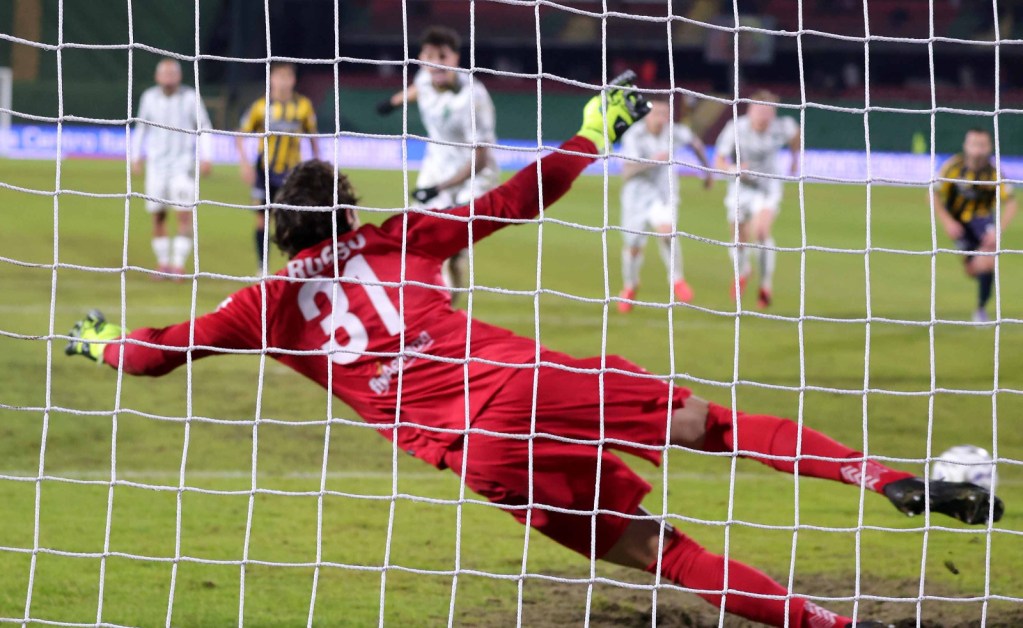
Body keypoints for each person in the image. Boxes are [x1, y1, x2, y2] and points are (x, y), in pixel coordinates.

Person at [66, 73, 1001, 628]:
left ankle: (824, 625)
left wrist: (104, 341)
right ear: (346, 209)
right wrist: (591, 131)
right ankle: (882, 480)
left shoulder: (261, 305)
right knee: (707, 426)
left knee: (657, 552)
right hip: (527, 382)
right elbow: (515, 199)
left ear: (275, 227)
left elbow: (155, 357)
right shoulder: (401, 236)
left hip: (478, 454)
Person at [377, 26, 499, 303]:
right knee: (425, 238)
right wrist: (392, 102)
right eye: (430, 56)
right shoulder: (424, 76)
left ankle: (451, 303)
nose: (436, 63)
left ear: (455, 58)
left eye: (443, 56)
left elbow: (479, 161)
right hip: (437, 164)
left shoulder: (473, 98)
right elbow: (418, 89)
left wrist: (437, 189)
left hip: (474, 174)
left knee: (454, 248)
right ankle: (431, 304)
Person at [617, 99, 713, 312]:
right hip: (636, 197)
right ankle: (630, 286)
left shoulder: (674, 132)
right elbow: (627, 171)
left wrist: (707, 171)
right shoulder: (634, 136)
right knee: (633, 247)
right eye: (657, 113)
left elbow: (695, 143)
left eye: (665, 113)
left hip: (664, 194)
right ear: (647, 115)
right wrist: (653, 160)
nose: (661, 118)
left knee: (667, 233)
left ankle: (677, 279)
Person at [714, 90, 800, 309]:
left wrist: (794, 158)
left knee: (761, 232)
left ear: (773, 114)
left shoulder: (783, 126)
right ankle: (743, 271)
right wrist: (735, 169)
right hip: (740, 188)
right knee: (738, 239)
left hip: (768, 186)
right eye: (759, 110)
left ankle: (765, 285)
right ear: (750, 110)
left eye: (767, 111)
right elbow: (719, 161)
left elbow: (796, 136)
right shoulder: (736, 127)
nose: (763, 115)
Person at [131, 58, 213, 279]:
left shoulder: (189, 97)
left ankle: (178, 265)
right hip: (156, 168)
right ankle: (163, 264)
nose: (168, 78)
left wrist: (207, 156)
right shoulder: (149, 97)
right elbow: (141, 128)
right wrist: (135, 156)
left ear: (179, 76)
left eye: (172, 73)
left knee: (184, 215)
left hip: (182, 167)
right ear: (157, 77)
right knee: (157, 216)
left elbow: (204, 125)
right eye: (164, 74)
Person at [236, 62, 319, 272]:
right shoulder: (260, 106)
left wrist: (317, 164)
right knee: (262, 218)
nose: (282, 82)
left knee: (293, 220)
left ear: (293, 80)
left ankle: (294, 266)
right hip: (264, 170)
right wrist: (244, 163)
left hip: (293, 173)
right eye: (278, 77)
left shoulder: (304, 106)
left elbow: (313, 136)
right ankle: (261, 266)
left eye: (287, 77)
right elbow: (240, 134)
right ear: (271, 79)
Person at [933, 128, 1017, 322]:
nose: (978, 150)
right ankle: (977, 269)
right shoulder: (953, 167)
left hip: (983, 222)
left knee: (987, 263)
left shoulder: (994, 173)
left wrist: (998, 230)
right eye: (974, 144)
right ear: (966, 146)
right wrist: (947, 221)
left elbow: (1011, 202)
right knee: (972, 270)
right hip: (959, 224)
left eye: (982, 145)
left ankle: (980, 309)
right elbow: (933, 193)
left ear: (989, 147)